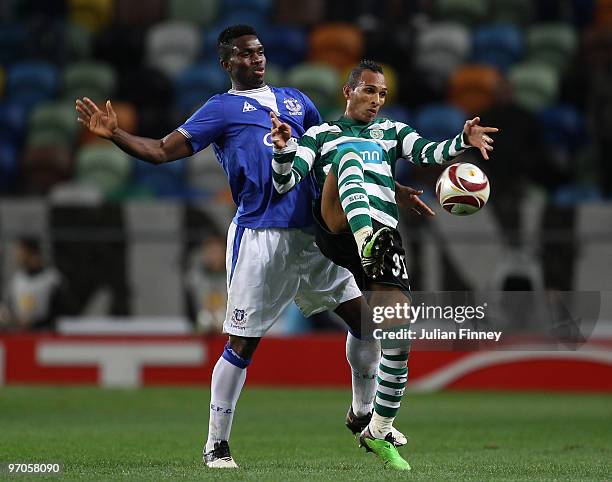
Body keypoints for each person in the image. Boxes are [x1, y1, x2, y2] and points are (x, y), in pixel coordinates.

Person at [75, 25, 429, 469]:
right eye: (244, 55)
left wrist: (394, 187)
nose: (255, 59)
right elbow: (163, 151)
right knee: (242, 345)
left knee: (365, 321)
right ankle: (215, 445)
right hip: (263, 237)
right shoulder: (219, 110)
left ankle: (361, 414)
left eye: (259, 51)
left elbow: (339, 152)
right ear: (227, 63)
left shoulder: (299, 101)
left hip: (314, 234)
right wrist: (117, 135)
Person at [271, 60, 498, 470]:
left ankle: (377, 427)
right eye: (369, 90)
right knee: (350, 160)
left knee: (397, 333)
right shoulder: (320, 135)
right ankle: (366, 242)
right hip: (338, 229)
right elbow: (286, 181)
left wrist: (461, 140)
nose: (376, 100)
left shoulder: (393, 132)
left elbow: (428, 153)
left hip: (384, 236)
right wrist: (284, 150)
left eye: (381, 94)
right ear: (348, 90)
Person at [0, 237, 77, 331]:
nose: (16, 255)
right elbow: (8, 308)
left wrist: (37, 323)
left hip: (46, 334)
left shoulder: (52, 279)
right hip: (20, 335)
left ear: (29, 252)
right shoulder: (17, 280)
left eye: (20, 251)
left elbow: (65, 311)